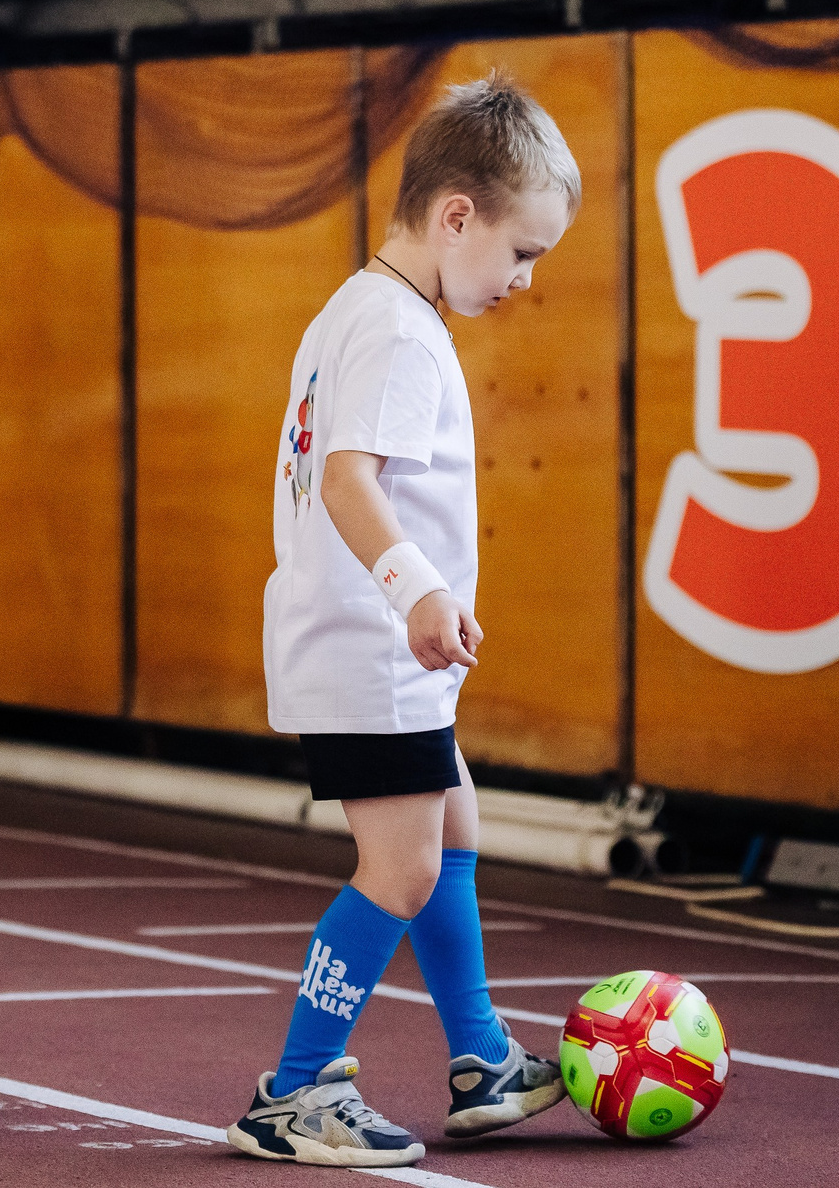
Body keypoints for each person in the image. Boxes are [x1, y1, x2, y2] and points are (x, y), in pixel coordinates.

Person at [225, 75, 580, 1168]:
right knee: (403, 868)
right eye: (521, 252)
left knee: (452, 830)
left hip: (379, 657)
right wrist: (417, 588)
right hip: (371, 653)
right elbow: (348, 480)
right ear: (456, 215)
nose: (524, 279)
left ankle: (481, 1056)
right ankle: (295, 1089)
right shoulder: (397, 332)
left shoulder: (362, 307)